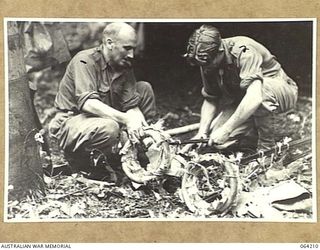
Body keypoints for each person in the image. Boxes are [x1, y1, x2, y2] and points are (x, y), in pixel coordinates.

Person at [49, 22, 156, 181]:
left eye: (133, 48)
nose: (132, 54)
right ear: (109, 43)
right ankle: (89, 164)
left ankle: (145, 151)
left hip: (99, 122)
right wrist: (127, 120)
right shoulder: (84, 61)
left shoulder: (124, 64)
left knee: (144, 89)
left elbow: (131, 105)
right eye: (127, 48)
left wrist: (142, 128)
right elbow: (88, 104)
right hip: (71, 123)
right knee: (110, 127)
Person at [182, 24, 298, 153]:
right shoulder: (206, 62)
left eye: (208, 63)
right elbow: (211, 99)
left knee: (260, 91)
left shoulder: (244, 51)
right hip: (245, 98)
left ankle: (268, 149)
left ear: (220, 51)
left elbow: (255, 97)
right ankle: (252, 132)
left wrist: (227, 129)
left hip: (280, 89)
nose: (205, 68)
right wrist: (202, 133)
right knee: (219, 142)